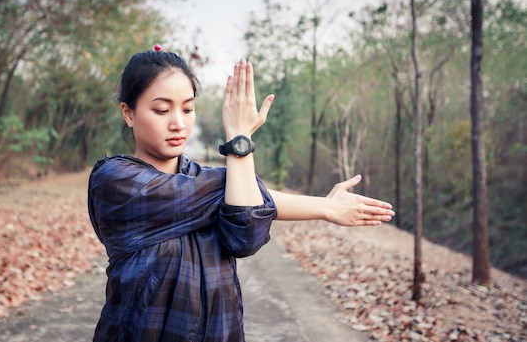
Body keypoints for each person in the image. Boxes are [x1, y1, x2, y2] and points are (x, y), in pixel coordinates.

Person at [87, 47, 394, 342]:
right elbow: (238, 199)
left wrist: (327, 207)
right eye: (161, 110)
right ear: (128, 113)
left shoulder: (205, 178)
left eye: (188, 108)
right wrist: (240, 144)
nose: (178, 123)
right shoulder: (115, 181)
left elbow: (245, 234)